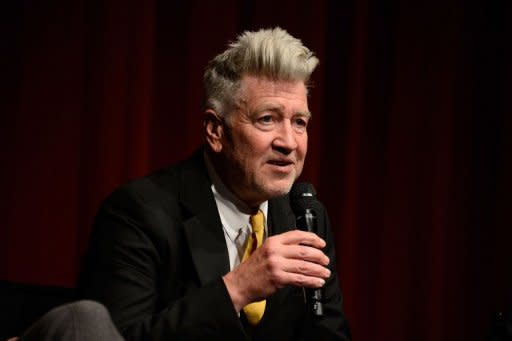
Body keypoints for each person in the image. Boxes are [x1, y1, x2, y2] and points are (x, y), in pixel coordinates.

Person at [78, 27, 351, 340]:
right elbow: (118, 336)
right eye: (267, 119)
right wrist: (238, 288)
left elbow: (330, 334)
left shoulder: (305, 218)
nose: (289, 142)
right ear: (215, 131)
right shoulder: (138, 212)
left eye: (299, 122)